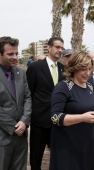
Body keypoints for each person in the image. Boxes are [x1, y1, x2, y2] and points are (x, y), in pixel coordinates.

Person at [50, 51, 94, 170]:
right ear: (74, 68)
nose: (87, 73)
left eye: (90, 68)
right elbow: (55, 117)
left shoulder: (90, 86)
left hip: (87, 142)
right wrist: (82, 117)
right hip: (67, 144)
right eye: (83, 69)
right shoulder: (63, 87)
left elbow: (92, 108)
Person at [26, 37, 65, 170]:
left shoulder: (63, 69)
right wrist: (29, 117)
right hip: (39, 121)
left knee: (58, 155)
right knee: (36, 157)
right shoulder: (35, 67)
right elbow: (28, 94)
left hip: (58, 121)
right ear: (49, 48)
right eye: (57, 47)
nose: (60, 50)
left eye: (61, 48)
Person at [0, 36, 31, 170]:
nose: (15, 57)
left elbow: (28, 97)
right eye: (10, 54)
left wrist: (24, 121)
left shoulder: (21, 72)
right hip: (3, 136)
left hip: (21, 136)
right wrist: (13, 127)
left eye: (16, 53)